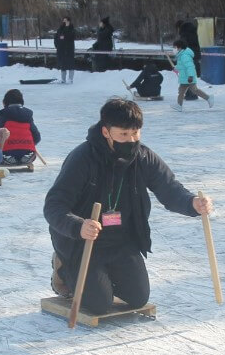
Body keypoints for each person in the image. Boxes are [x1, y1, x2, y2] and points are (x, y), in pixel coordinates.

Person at [44, 98, 213, 314]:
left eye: (136, 133)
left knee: (138, 298)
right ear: (106, 132)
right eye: (124, 134)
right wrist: (78, 226)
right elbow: (54, 206)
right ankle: (64, 268)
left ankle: (101, 276)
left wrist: (192, 203)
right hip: (84, 242)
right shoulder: (83, 158)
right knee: (99, 305)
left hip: (123, 240)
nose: (132, 140)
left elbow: (169, 188)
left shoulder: (143, 156)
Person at [0, 89, 41, 165]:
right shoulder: (28, 115)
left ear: (5, 102)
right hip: (28, 152)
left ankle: (8, 157)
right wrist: (28, 144)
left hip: (6, 152)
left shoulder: (3, 114)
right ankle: (25, 157)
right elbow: (36, 136)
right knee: (28, 154)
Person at [171, 39, 212, 110]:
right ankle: (179, 105)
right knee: (181, 91)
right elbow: (182, 66)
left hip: (188, 78)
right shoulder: (181, 55)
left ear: (179, 47)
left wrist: (190, 76)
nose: (174, 49)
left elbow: (190, 66)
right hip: (184, 77)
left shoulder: (184, 56)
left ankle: (209, 98)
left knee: (195, 90)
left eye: (175, 47)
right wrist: (176, 68)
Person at [55, 16, 76, 83]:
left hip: (69, 49)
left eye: (66, 20)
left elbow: (71, 36)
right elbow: (56, 37)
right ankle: (63, 79)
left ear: (69, 21)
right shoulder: (60, 28)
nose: (64, 22)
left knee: (70, 64)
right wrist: (57, 45)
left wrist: (67, 27)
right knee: (63, 65)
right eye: (63, 20)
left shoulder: (71, 28)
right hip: (61, 49)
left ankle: (70, 79)